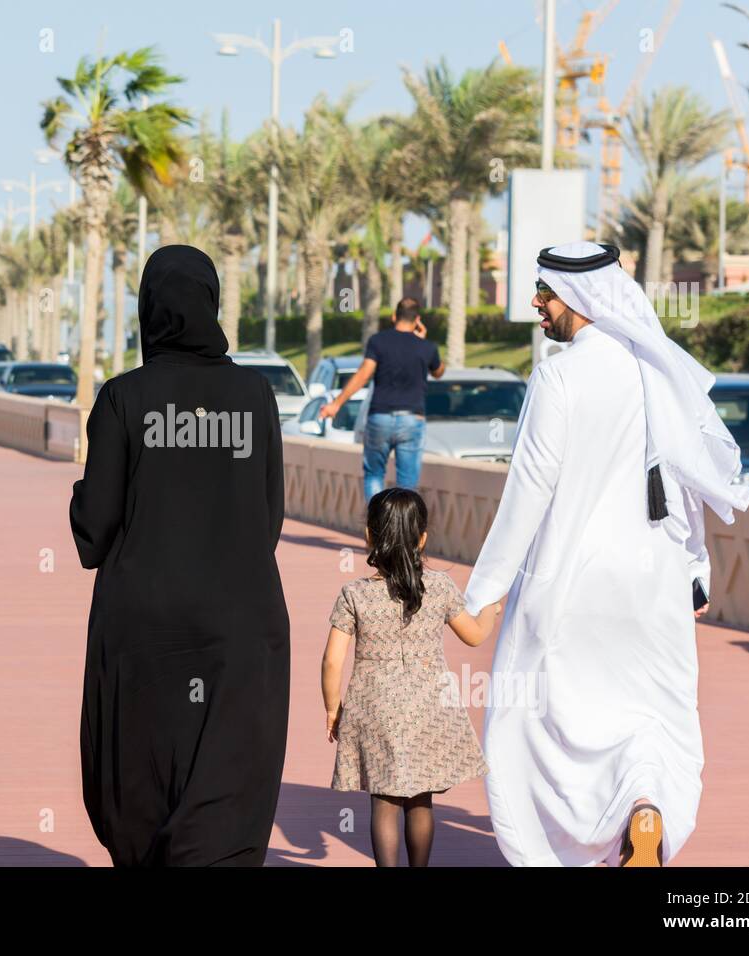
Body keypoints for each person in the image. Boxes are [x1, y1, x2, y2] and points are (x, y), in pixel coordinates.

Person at [464, 241, 749, 867]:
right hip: (655, 583)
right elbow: (687, 485)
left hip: (571, 581)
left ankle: (568, 851)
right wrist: (696, 572)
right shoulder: (660, 372)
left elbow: (529, 491)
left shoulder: (559, 376)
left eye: (545, 293)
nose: (537, 304)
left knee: (542, 720)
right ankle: (646, 809)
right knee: (649, 715)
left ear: (581, 298)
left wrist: (481, 593)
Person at [69, 244, 290, 866]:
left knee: (142, 771)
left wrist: (82, 502)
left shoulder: (123, 397)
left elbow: (95, 526)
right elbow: (268, 514)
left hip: (145, 623)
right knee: (229, 770)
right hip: (240, 619)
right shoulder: (255, 394)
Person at [322, 488, 498, 866]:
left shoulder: (354, 594)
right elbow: (474, 636)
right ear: (422, 538)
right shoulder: (439, 587)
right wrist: (491, 611)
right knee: (421, 800)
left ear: (369, 536)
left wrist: (332, 708)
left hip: (374, 706)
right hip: (429, 705)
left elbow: (333, 661)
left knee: (384, 802)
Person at [320, 297, 445, 501]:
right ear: (417, 320)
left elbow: (363, 374)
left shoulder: (378, 341)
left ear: (394, 317)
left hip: (381, 417)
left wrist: (336, 404)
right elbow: (439, 371)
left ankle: (377, 528)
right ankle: (402, 531)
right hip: (412, 419)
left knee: (374, 475)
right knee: (407, 485)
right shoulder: (427, 347)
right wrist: (422, 341)